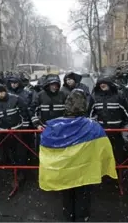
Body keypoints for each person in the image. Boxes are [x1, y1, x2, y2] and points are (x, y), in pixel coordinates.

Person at [39, 90, 118, 222]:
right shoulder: (92, 126)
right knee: (84, 194)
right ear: (84, 105)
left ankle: (68, 215)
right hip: (84, 172)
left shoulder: (55, 126)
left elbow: (45, 147)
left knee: (67, 192)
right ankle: (82, 217)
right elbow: (104, 149)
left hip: (65, 172)